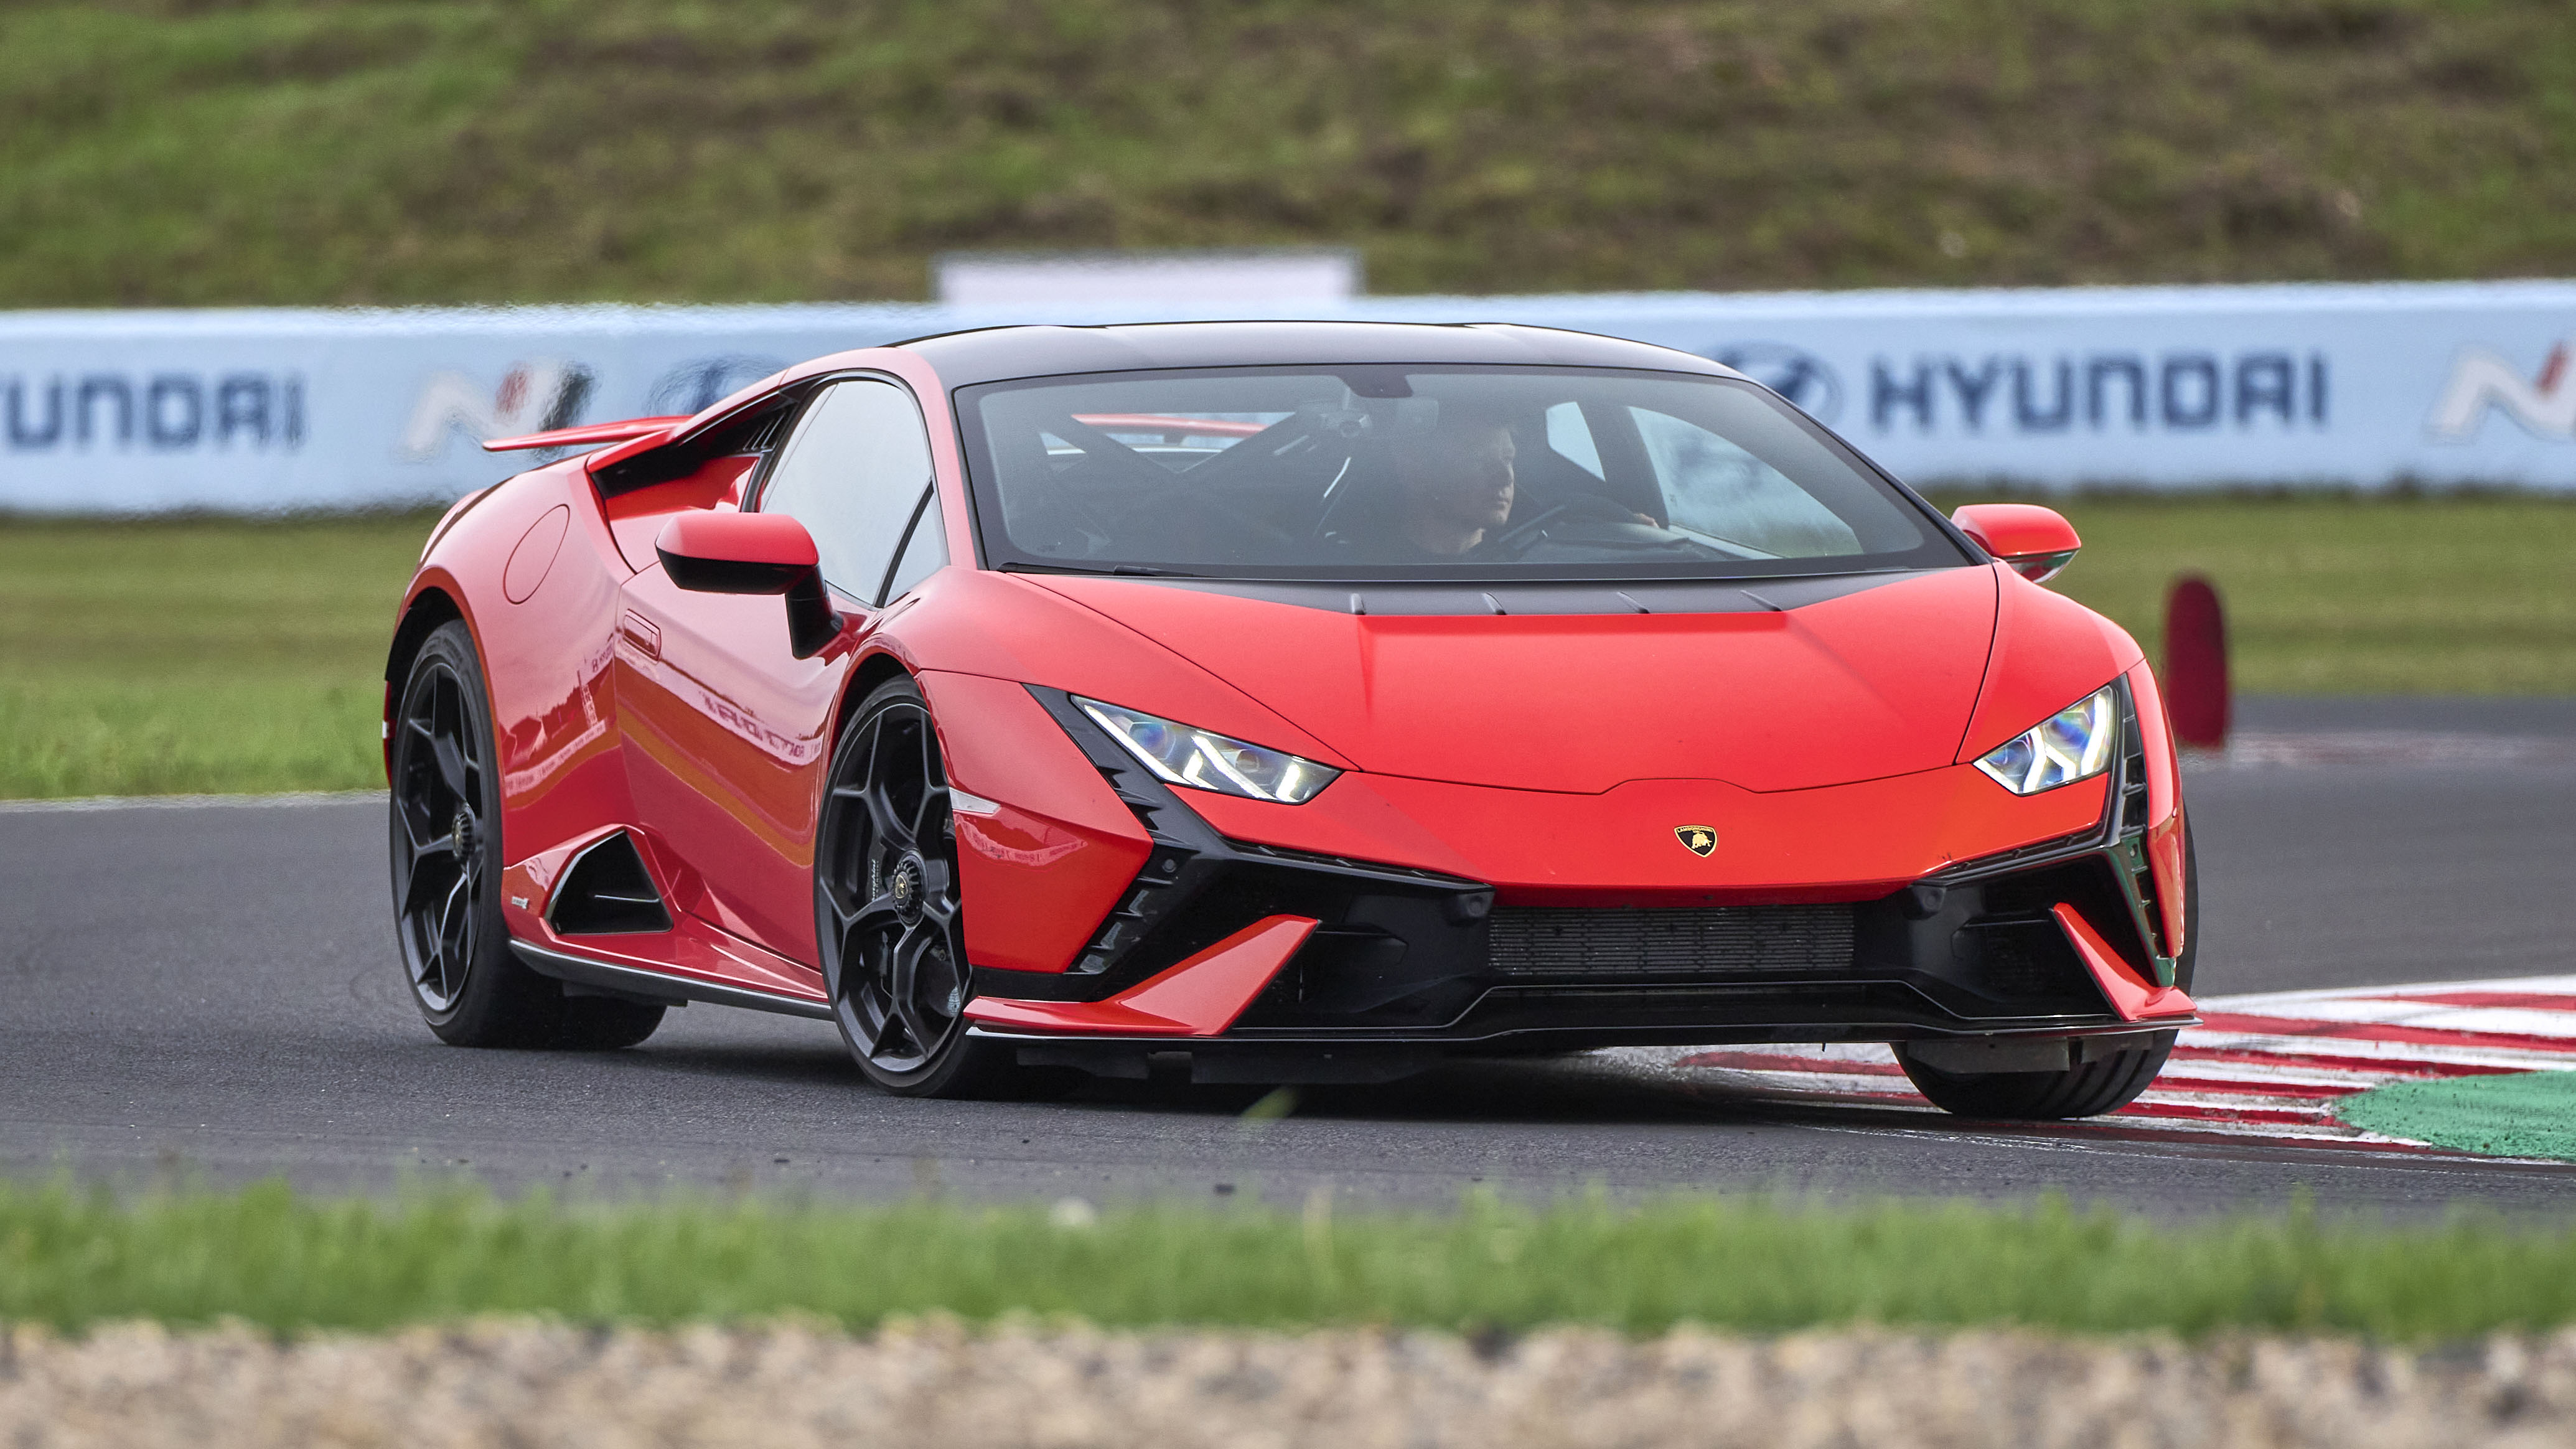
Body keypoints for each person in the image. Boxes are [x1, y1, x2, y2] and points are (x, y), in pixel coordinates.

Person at [1389, 413, 1519, 557]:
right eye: (1480, 459)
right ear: (1417, 473)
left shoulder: (1530, 561)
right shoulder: (1373, 569)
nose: (1506, 478)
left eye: (1508, 459)